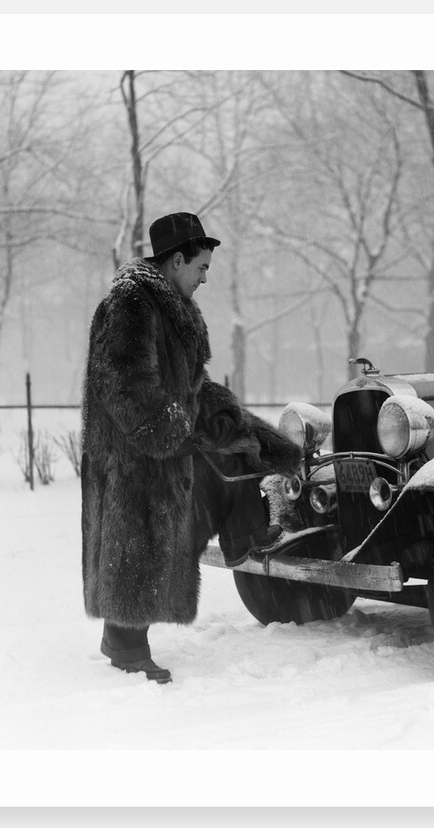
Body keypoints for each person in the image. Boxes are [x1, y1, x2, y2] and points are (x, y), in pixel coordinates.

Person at [81, 212, 301, 684]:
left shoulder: (170, 308)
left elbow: (190, 386)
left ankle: (245, 534)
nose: (205, 278)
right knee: (135, 539)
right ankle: (123, 644)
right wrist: (174, 430)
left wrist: (225, 415)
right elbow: (122, 382)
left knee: (172, 522)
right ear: (176, 260)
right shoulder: (130, 304)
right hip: (130, 455)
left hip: (163, 448)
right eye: (200, 267)